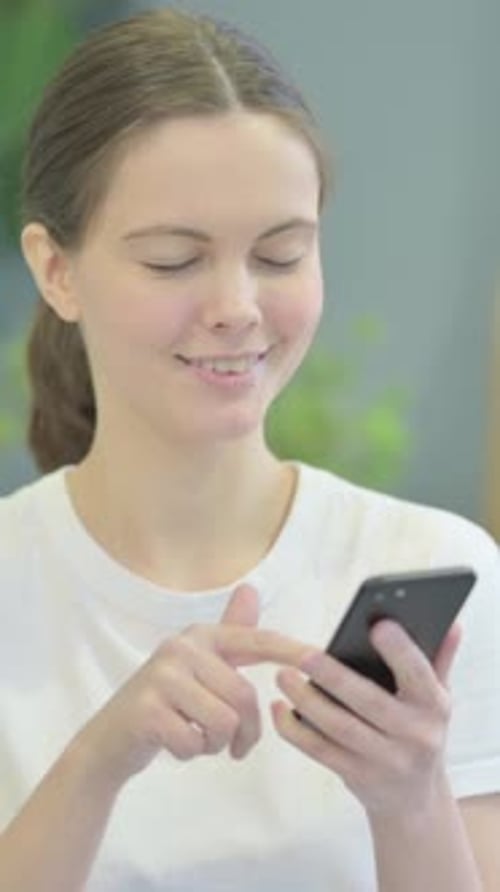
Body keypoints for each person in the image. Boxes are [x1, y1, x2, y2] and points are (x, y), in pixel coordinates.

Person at [0, 7, 498, 891]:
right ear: (56, 270)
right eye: (171, 260)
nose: (237, 305)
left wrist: (409, 798)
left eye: (278, 255)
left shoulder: (439, 567)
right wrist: (98, 761)